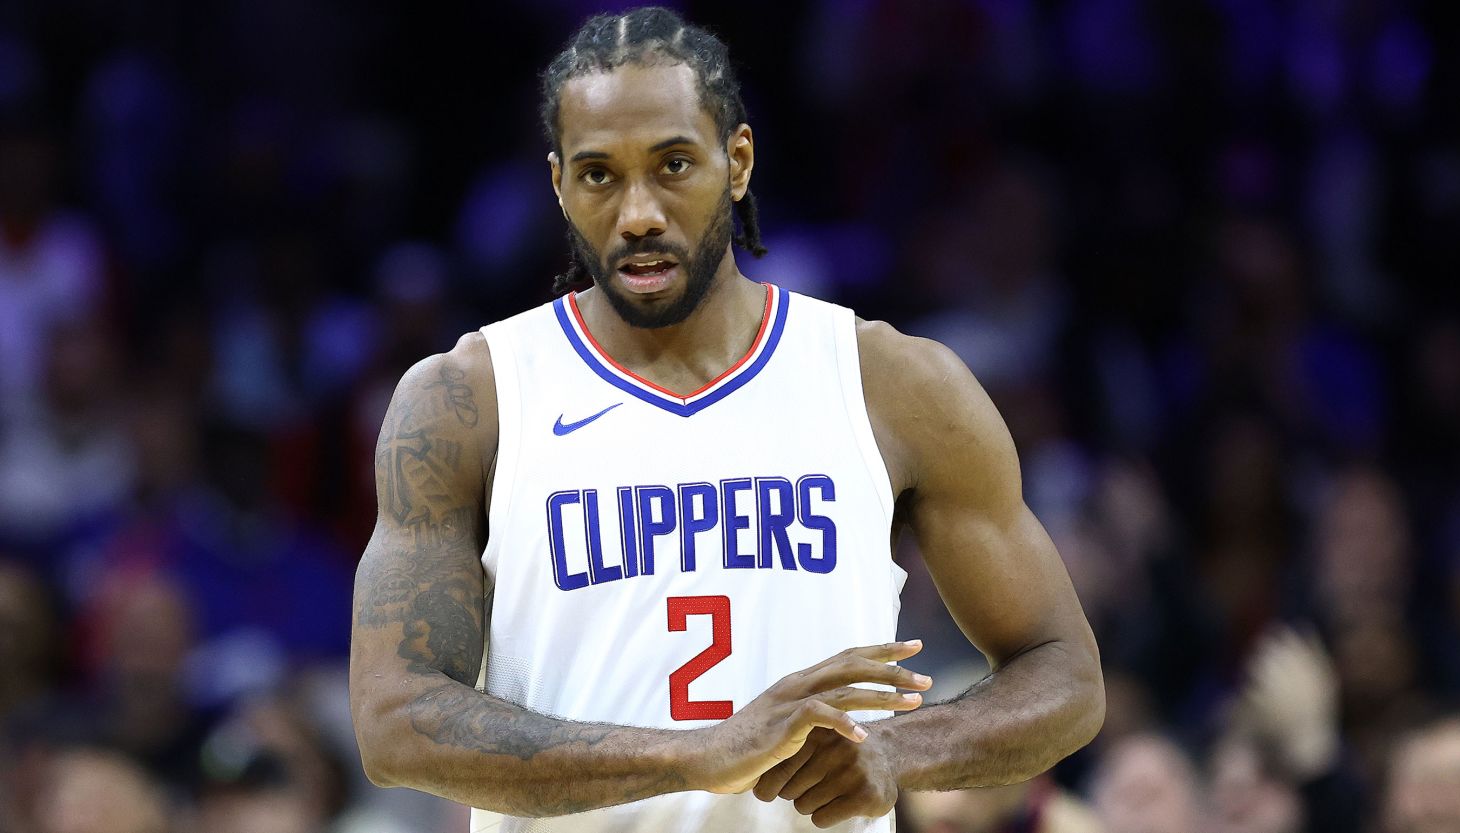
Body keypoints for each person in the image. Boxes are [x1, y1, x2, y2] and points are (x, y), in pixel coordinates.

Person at [348, 7, 1103, 832]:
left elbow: (1066, 676)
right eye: (600, 174)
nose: (638, 211)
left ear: (737, 161)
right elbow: (395, 722)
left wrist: (898, 750)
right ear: (559, 184)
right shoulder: (470, 400)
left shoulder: (890, 382)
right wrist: (700, 752)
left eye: (674, 164)